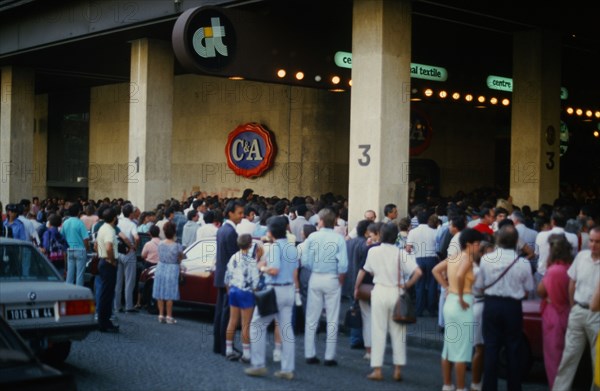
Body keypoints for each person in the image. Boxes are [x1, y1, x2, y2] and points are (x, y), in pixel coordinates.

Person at [474, 225, 534, 391]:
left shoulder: (486, 260)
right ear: (516, 241)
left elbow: (479, 285)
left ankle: (489, 387)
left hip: (491, 304)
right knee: (513, 348)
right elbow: (529, 286)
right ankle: (514, 387)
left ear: (498, 240)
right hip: (512, 306)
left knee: (491, 347)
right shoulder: (522, 262)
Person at [362, 223, 422, 381]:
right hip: (397, 292)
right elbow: (418, 272)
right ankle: (397, 369)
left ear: (380, 235)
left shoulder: (373, 251)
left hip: (380, 290)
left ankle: (377, 369)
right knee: (398, 333)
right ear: (396, 236)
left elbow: (369, 270)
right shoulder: (401, 253)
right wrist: (407, 285)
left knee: (378, 331)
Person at [245, 216, 298, 379]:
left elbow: (274, 270)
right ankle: (287, 369)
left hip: (274, 291)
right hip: (289, 289)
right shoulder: (292, 248)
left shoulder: (274, 248)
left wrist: (262, 268)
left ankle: (258, 364)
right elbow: (295, 272)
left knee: (256, 326)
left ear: (270, 232)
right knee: (286, 330)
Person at [432, 228, 484, 391]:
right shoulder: (467, 258)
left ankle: (448, 384)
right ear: (469, 244)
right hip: (463, 301)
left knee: (449, 348)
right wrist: (461, 297)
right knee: (461, 351)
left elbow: (436, 270)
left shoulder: (453, 257)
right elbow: (461, 275)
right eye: (477, 244)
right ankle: (460, 388)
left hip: (451, 301)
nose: (478, 247)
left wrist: (447, 287)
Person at [552, 226, 600, 391]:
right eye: (591, 241)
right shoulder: (581, 256)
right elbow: (572, 282)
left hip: (597, 315)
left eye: (597, 242)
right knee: (569, 357)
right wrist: (573, 306)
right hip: (578, 310)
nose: (593, 245)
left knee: (598, 361)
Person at [302, 207, 348, 366]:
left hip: (315, 277)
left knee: (311, 317)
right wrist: (339, 279)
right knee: (332, 317)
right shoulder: (339, 238)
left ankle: (310, 353)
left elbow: (305, 261)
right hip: (332, 278)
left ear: (321, 221)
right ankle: (330, 356)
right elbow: (343, 264)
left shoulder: (312, 237)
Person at [536, 234, 574, 389]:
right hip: (569, 312)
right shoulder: (572, 268)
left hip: (553, 314)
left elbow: (540, 291)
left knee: (554, 357)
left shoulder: (553, 271)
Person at [213, 200, 244, 356]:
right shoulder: (231, 232)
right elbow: (234, 260)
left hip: (221, 275)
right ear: (230, 213)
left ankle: (219, 345)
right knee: (226, 314)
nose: (242, 216)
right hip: (228, 278)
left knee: (220, 312)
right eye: (239, 213)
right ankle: (226, 346)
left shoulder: (222, 230)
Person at [224, 234, 260, 363]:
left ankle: (228, 349)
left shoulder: (233, 257)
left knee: (232, 321)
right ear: (250, 245)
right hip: (246, 293)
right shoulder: (251, 261)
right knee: (246, 324)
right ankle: (246, 354)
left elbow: (227, 277)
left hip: (233, 290)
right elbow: (255, 282)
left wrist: (229, 291)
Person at [353, 222, 383, 360]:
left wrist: (356, 287)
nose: (368, 237)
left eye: (370, 234)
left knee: (367, 318)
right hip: (386, 288)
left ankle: (370, 351)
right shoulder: (395, 250)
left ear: (376, 234)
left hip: (367, 287)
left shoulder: (370, 250)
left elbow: (362, 270)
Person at [470, 240, 495, 391]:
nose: (491, 256)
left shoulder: (480, 268)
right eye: (488, 252)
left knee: (484, 347)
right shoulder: (478, 270)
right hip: (480, 306)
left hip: (483, 306)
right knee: (480, 348)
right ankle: (475, 383)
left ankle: (479, 382)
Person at [406, 210, 439, 317]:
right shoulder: (434, 231)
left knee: (419, 285)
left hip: (418, 259)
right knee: (432, 284)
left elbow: (408, 248)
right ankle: (431, 309)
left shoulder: (412, 232)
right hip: (432, 259)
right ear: (429, 219)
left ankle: (419, 310)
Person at [152, 221, 185, 324]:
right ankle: (169, 316)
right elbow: (180, 259)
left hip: (161, 266)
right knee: (170, 293)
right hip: (172, 268)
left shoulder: (160, 243)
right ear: (174, 232)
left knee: (160, 292)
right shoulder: (177, 245)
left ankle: (161, 315)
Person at [96, 207, 120, 333]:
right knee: (107, 294)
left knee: (105, 293)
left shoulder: (102, 228)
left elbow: (96, 245)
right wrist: (111, 260)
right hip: (108, 262)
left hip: (102, 260)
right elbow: (109, 246)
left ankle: (103, 321)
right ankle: (103, 322)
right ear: (114, 218)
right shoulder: (110, 230)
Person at [115, 203, 139, 313]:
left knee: (118, 281)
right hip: (129, 254)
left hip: (118, 252)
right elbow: (137, 238)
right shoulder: (132, 224)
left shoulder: (118, 222)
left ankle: (117, 305)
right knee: (129, 281)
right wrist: (134, 247)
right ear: (130, 214)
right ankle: (129, 306)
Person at [61, 203, 90, 286]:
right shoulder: (80, 223)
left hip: (70, 249)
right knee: (80, 274)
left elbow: (62, 237)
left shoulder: (65, 223)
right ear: (78, 212)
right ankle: (79, 294)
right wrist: (87, 248)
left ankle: (67, 292)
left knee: (70, 273)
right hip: (80, 250)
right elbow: (86, 238)